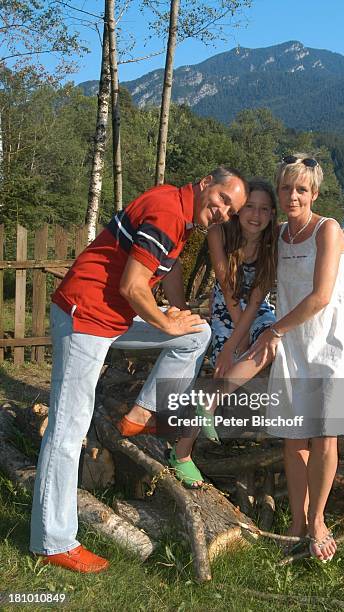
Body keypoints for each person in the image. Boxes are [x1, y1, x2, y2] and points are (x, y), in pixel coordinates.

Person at [30, 166, 249, 573]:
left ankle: (143, 414)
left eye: (231, 210)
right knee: (66, 429)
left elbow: (172, 269)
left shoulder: (180, 214)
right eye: (222, 200)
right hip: (86, 316)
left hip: (112, 316)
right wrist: (165, 322)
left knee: (194, 335)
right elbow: (133, 286)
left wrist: (177, 314)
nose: (223, 212)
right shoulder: (168, 211)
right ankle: (52, 540)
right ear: (205, 184)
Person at [249, 154, 344, 562]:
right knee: (293, 436)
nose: (292, 195)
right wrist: (234, 343)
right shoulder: (278, 234)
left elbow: (320, 297)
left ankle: (317, 520)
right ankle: (296, 523)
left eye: (301, 189)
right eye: (286, 188)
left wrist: (273, 330)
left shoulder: (327, 230)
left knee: (323, 434)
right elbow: (261, 284)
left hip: (334, 345)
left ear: (314, 193)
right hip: (295, 346)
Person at [168, 179, 277, 487]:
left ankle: (209, 401)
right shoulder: (219, 233)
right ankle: (183, 453)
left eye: (264, 209)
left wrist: (240, 341)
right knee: (226, 364)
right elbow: (228, 290)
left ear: (272, 215)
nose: (256, 215)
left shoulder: (273, 242)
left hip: (258, 310)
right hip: (225, 308)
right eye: (250, 207)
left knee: (272, 342)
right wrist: (231, 344)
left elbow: (257, 299)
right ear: (239, 210)